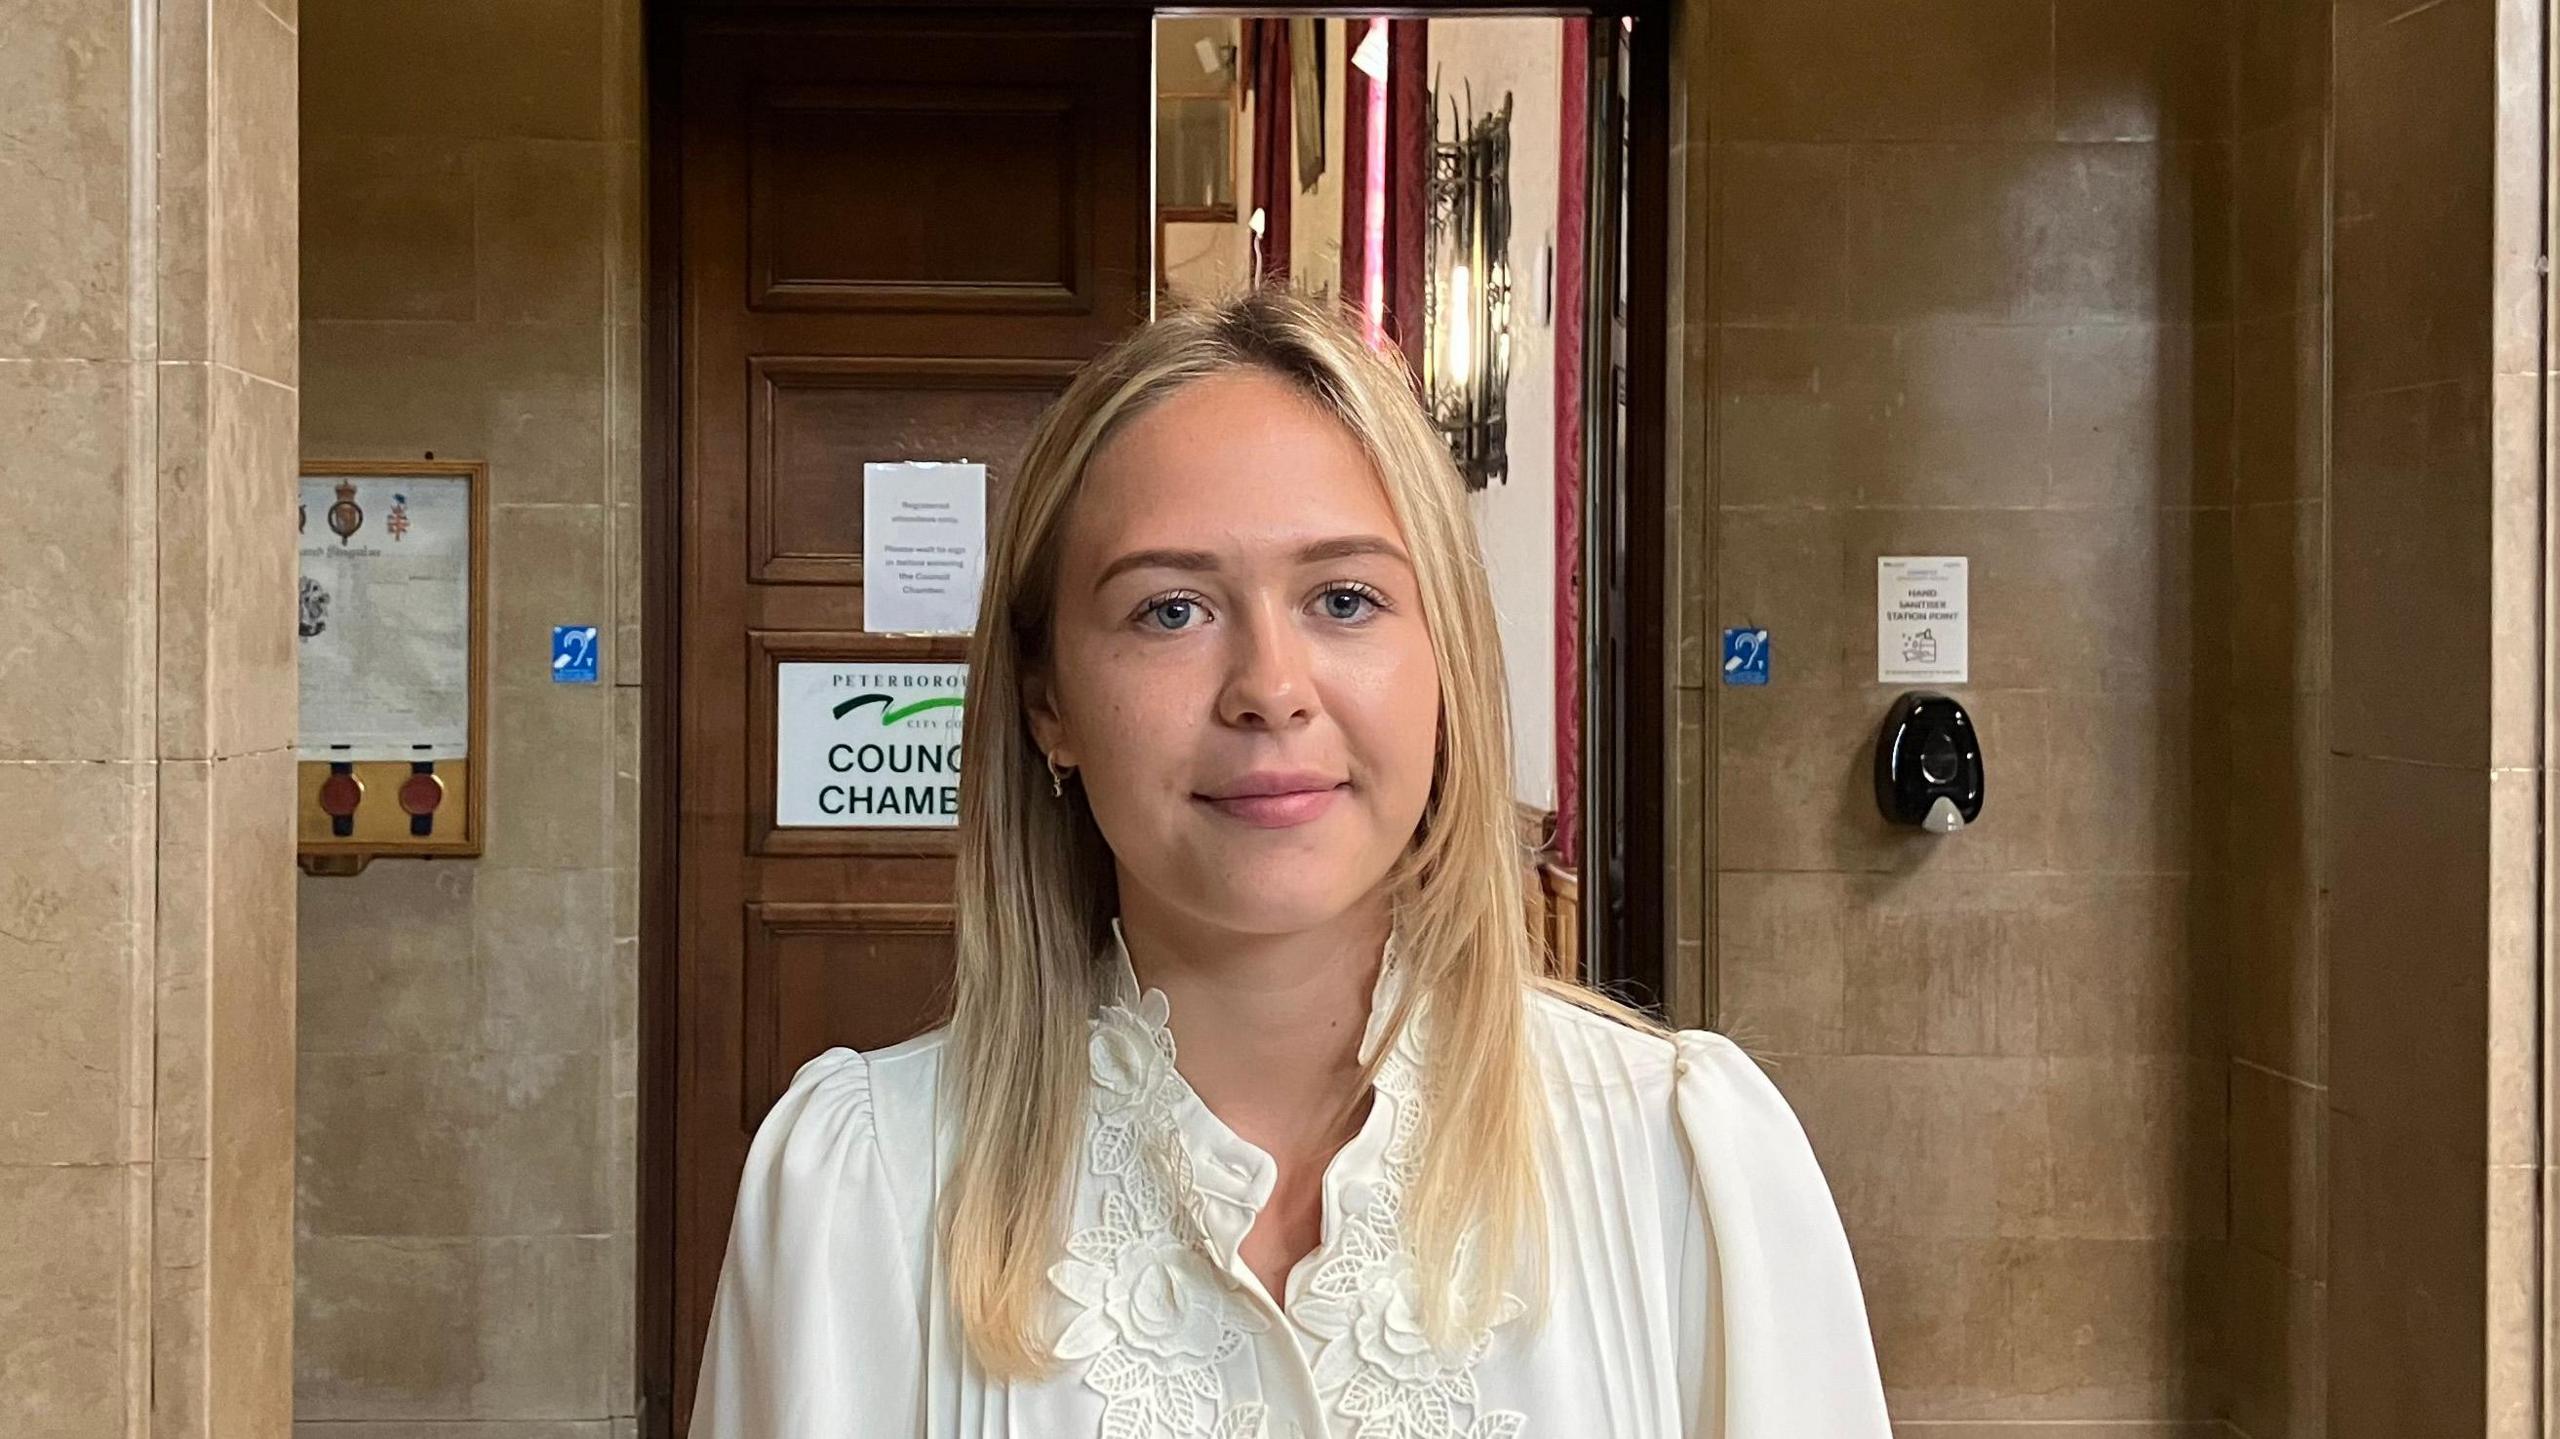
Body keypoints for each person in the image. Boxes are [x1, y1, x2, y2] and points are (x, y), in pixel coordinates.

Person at [690, 290, 1891, 1438]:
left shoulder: (1678, 1165)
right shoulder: (862, 1192)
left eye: (1345, 597)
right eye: (1170, 609)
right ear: (1048, 699)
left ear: (1446, 664)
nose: (1269, 688)